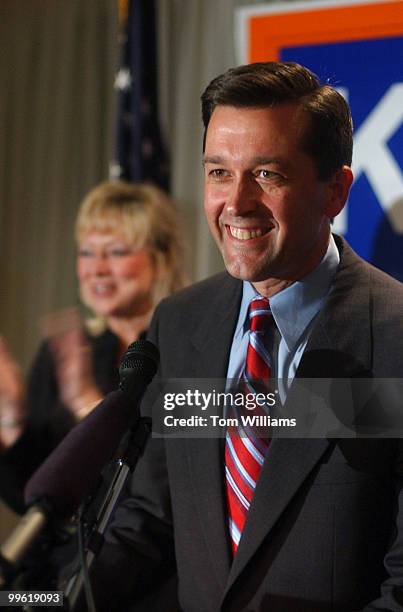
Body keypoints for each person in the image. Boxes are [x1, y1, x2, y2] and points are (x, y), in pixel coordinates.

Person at [76, 62, 403, 612]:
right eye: (219, 172)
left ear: (335, 191)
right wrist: (36, 597)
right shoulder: (180, 324)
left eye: (268, 174)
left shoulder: (393, 337)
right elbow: (153, 519)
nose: (236, 203)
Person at [0, 180, 187, 514]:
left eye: (116, 252)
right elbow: (33, 503)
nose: (96, 269)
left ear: (161, 258)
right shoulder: (62, 351)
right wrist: (11, 417)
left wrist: (88, 404)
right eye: (86, 252)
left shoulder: (186, 343)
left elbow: (164, 484)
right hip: (66, 562)